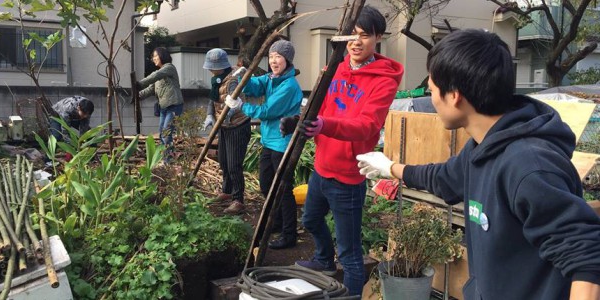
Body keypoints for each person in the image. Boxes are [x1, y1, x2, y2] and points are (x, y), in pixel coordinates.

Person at [356, 29, 600, 300]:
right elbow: (444, 178)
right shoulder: (482, 148)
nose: (432, 98)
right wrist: (389, 167)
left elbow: (586, 258)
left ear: (455, 96)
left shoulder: (529, 166)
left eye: (433, 90)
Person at [280, 5, 403, 296]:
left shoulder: (383, 80)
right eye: (351, 35)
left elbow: (366, 125)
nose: (356, 42)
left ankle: (353, 294)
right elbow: (318, 108)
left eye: (364, 35)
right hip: (323, 166)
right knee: (310, 219)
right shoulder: (334, 67)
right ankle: (323, 259)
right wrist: (300, 121)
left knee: (349, 253)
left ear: (378, 38)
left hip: (348, 174)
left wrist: (324, 125)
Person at [224, 39, 302, 248]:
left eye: (279, 57)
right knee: (266, 184)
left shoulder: (289, 85)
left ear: (288, 60)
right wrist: (244, 76)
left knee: (283, 189)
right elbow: (256, 86)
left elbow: (267, 111)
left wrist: (241, 106)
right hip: (269, 140)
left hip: (283, 142)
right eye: (271, 56)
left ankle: (289, 234)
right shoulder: (271, 78)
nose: (274, 61)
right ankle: (276, 223)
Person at [202, 48, 252, 211]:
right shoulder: (216, 79)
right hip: (224, 126)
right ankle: (227, 191)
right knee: (223, 160)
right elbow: (212, 100)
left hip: (237, 125)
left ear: (221, 66)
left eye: (212, 66)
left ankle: (238, 200)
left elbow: (235, 103)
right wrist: (210, 115)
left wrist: (227, 115)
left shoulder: (232, 80)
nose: (210, 69)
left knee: (233, 164)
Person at [138, 47, 183, 160]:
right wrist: (137, 95)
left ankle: (170, 161)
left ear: (162, 56)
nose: (153, 59)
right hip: (164, 108)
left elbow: (155, 76)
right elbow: (150, 89)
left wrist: (139, 83)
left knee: (166, 134)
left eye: (155, 56)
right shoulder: (157, 74)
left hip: (173, 106)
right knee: (162, 135)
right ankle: (166, 160)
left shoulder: (169, 68)